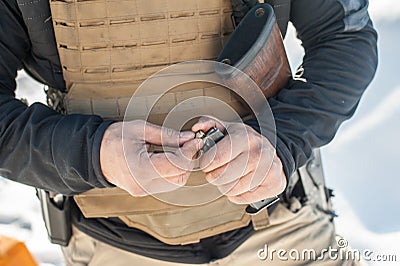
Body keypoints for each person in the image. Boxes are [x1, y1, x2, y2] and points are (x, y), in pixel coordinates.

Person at [0, 0, 377, 265]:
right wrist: (95, 152)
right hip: (112, 247)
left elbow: (344, 37)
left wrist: (281, 141)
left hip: (282, 232)